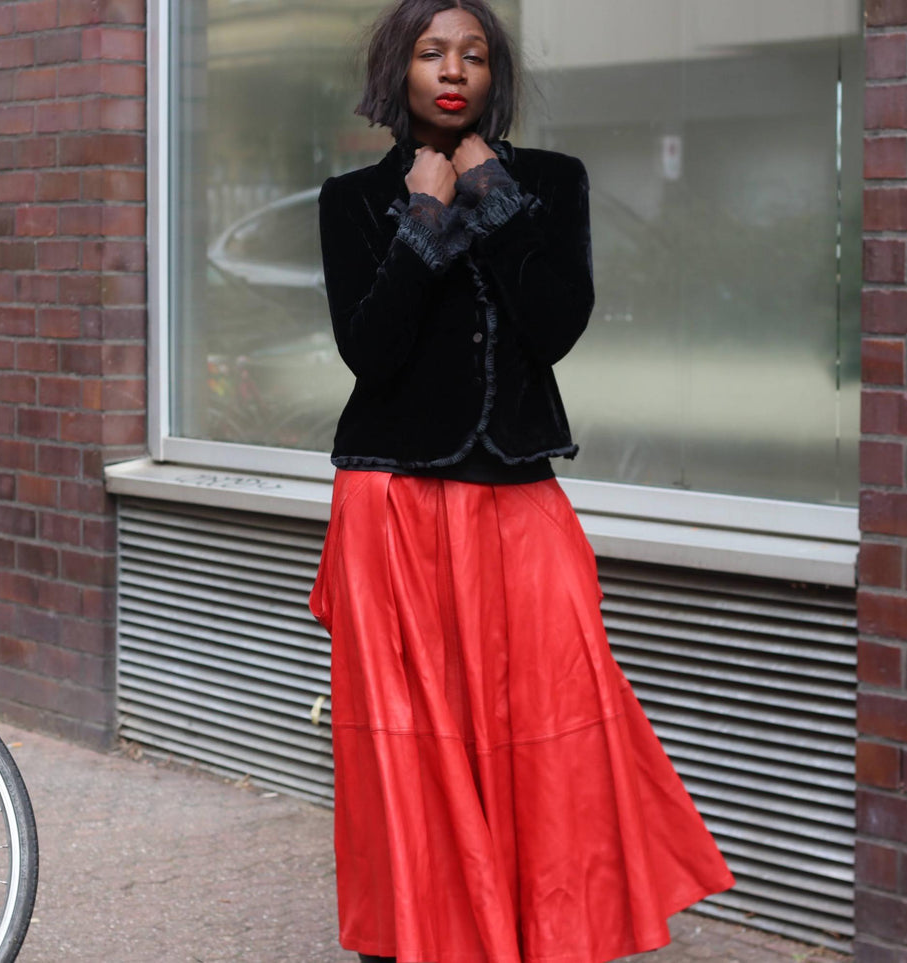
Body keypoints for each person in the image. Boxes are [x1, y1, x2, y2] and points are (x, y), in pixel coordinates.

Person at [308, 2, 735, 960]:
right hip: (390, 500)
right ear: (397, 71)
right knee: (406, 743)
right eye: (430, 53)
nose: (452, 71)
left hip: (516, 492)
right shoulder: (351, 198)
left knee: (557, 712)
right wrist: (421, 214)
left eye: (473, 55)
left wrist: (489, 193)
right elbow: (370, 354)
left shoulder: (546, 184)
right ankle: (416, 937)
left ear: (497, 75)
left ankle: (543, 926)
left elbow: (554, 326)